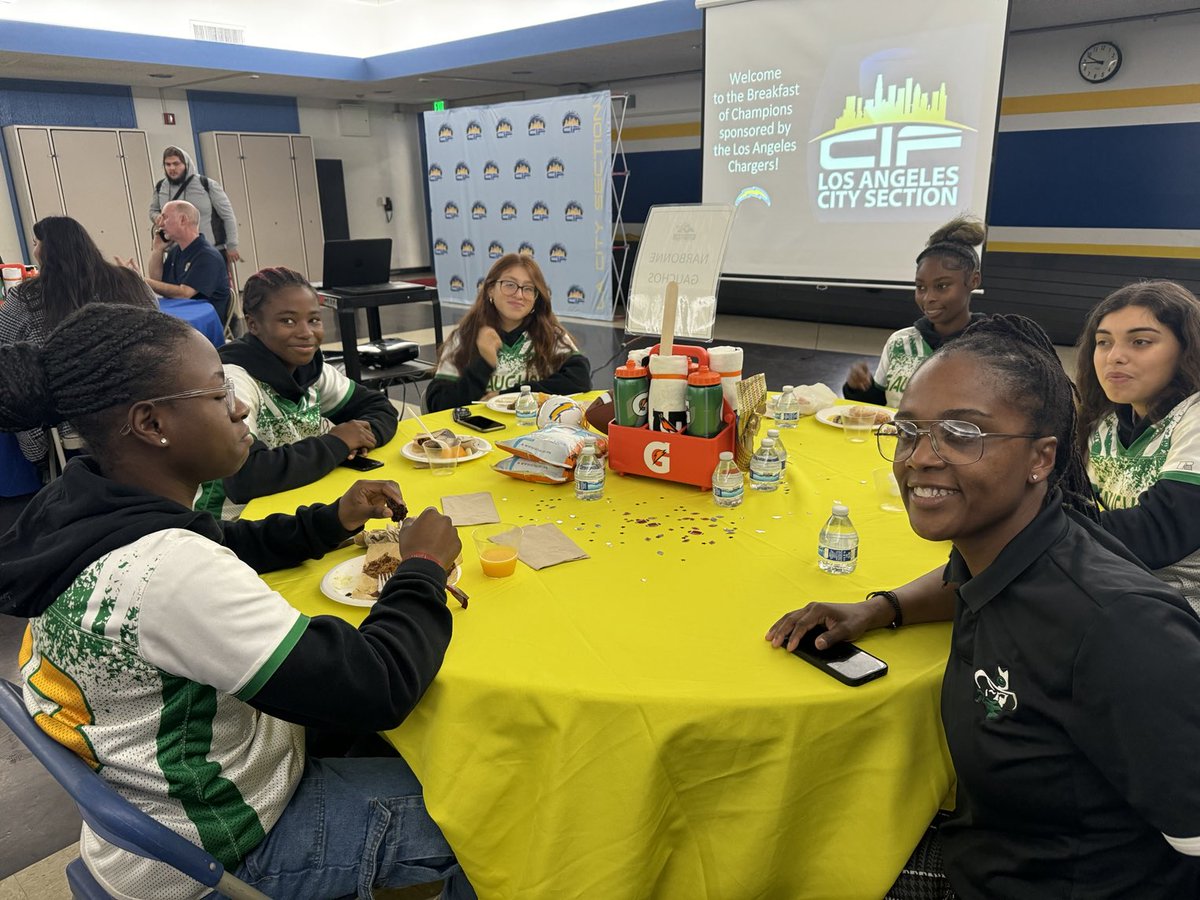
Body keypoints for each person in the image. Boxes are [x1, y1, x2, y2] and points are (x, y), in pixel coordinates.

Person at [0, 303, 475, 900]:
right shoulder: (168, 573)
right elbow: (379, 686)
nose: (241, 407)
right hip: (215, 851)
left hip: (145, 813)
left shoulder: (81, 504)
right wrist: (423, 567)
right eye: (219, 393)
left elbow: (222, 539)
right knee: (489, 807)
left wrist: (331, 519)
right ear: (151, 424)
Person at [768, 315, 1200, 899]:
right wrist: (879, 608)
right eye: (908, 431)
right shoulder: (1014, 549)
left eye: (963, 434)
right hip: (990, 846)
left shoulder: (1121, 630)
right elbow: (962, 580)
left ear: (1041, 459)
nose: (919, 457)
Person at [193, 266, 399, 520]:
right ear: (254, 324)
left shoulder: (310, 369)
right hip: (236, 525)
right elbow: (245, 478)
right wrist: (337, 443)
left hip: (297, 505)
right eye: (287, 321)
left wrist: (358, 440)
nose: (306, 333)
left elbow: (380, 407)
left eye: (313, 320)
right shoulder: (233, 379)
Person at [1077, 280, 1200, 612]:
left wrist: (1031, 528)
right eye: (1103, 343)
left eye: (1140, 342)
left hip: (1181, 606)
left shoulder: (1194, 416)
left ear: (1187, 347)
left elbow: (1159, 532)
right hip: (1117, 584)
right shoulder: (1102, 423)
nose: (1115, 357)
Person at [0, 215, 155, 465]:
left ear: (48, 251)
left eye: (36, 243)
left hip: (71, 424)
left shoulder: (26, 300)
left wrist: (36, 453)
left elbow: (10, 366)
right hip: (140, 402)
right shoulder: (130, 283)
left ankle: (40, 461)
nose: (34, 250)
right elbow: (158, 332)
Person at [844, 216, 986, 408]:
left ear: (974, 280)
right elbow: (880, 406)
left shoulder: (990, 348)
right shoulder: (900, 343)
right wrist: (859, 389)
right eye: (921, 287)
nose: (928, 298)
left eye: (942, 286)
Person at [425, 253, 591, 412]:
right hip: (479, 434)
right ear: (490, 289)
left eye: (528, 288)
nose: (519, 295)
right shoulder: (466, 336)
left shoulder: (549, 334)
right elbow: (439, 404)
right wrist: (484, 364)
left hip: (536, 432)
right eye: (510, 285)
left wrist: (510, 396)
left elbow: (580, 379)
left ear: (536, 298)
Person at [122, 200, 231, 323]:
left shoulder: (207, 256)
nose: (160, 224)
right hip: (182, 317)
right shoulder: (177, 251)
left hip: (202, 323)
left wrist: (140, 279)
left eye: (165, 218)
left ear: (183, 220)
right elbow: (157, 281)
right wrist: (157, 250)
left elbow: (184, 294)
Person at [148, 145, 241, 265]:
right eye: (168, 164)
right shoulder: (161, 187)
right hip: (176, 253)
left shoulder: (207, 185)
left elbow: (227, 216)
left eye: (176, 164)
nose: (172, 168)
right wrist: (157, 217)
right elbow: (153, 211)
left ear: (186, 164)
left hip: (209, 250)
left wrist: (231, 245)